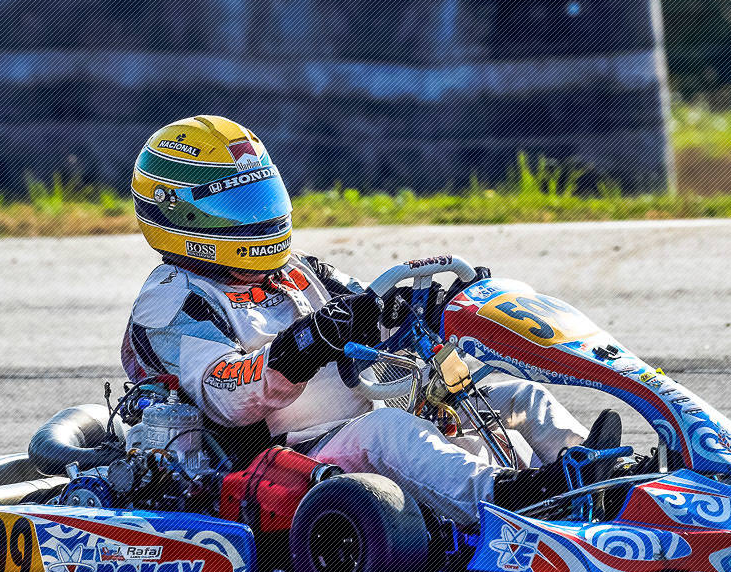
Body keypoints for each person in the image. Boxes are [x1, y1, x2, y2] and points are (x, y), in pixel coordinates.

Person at [120, 115, 621, 525]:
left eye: (260, 199)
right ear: (181, 216)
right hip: (286, 462)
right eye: (237, 206)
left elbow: (368, 311)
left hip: (359, 424)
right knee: (387, 432)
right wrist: (302, 346)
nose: (259, 217)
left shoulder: (297, 271)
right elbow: (226, 395)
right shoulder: (172, 301)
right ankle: (515, 501)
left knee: (516, 398)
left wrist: (427, 307)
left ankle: (598, 477)